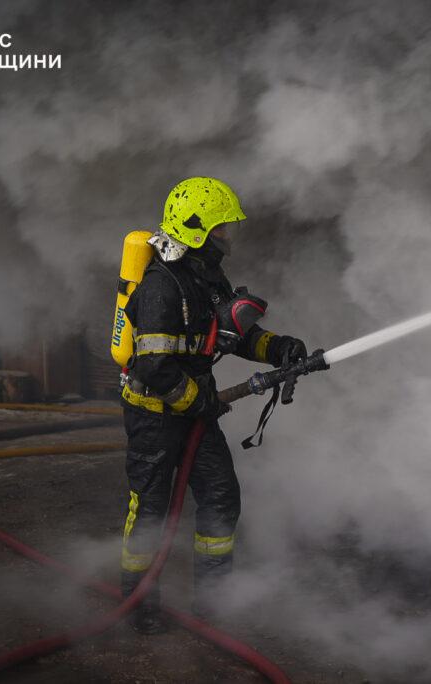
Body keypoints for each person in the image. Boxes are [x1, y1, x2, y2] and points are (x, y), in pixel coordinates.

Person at [118, 177, 308, 634]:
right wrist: (196, 401)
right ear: (198, 231)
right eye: (222, 228)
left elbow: (230, 333)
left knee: (221, 497)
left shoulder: (207, 276)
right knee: (151, 510)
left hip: (195, 412)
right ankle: (138, 605)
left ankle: (214, 602)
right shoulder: (160, 287)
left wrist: (278, 347)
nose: (228, 237)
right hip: (155, 415)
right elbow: (154, 366)